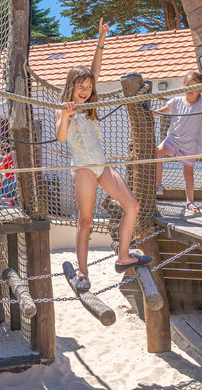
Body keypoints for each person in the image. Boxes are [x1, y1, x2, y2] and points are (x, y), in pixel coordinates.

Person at [55, 18, 151, 291]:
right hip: (83, 167)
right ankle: (83, 273)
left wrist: (101, 40)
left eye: (88, 87)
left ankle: (123, 256)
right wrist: (65, 114)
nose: (85, 90)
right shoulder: (64, 108)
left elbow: (95, 70)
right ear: (71, 86)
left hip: (102, 165)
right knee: (85, 220)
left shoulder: (92, 104)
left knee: (132, 206)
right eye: (80, 86)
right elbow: (61, 137)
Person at [152, 70, 202, 213]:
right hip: (173, 139)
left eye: (194, 87)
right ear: (183, 86)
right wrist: (146, 112)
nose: (190, 90)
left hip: (190, 144)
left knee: (188, 173)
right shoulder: (176, 101)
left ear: (200, 89)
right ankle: (158, 185)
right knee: (157, 153)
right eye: (187, 86)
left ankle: (190, 202)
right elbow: (161, 112)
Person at [0, 141, 18, 206]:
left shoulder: (6, 159)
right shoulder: (12, 157)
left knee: (8, 197)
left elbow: (3, 173)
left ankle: (4, 200)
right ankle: (11, 201)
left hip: (8, 179)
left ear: (3, 150)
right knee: (11, 194)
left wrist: (1, 181)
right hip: (13, 178)